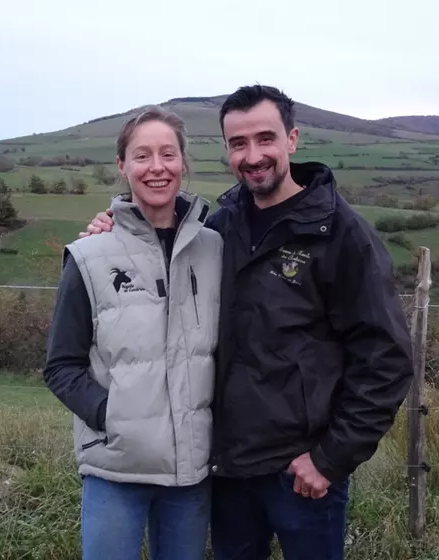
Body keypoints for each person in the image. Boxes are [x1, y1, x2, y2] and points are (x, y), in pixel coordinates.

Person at [81, 85, 414, 560]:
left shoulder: (341, 234)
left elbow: (387, 359)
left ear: (292, 139)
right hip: (229, 470)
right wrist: (112, 229)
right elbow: (158, 256)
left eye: (265, 139)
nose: (253, 155)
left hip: (303, 472)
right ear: (226, 150)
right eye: (238, 143)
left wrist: (331, 458)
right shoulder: (220, 228)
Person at [43, 105, 223, 560]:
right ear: (122, 166)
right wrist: (114, 418)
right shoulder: (89, 256)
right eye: (142, 156)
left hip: (191, 474)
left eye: (167, 154)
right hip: (114, 470)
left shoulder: (216, 248)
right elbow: (61, 365)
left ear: (183, 162)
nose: (156, 167)